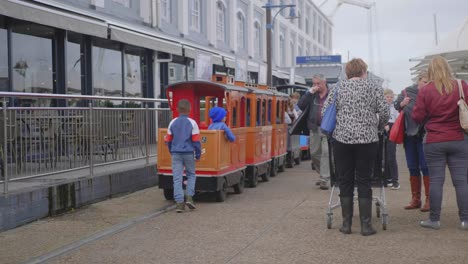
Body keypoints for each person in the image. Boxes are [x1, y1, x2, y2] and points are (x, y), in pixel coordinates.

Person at [322, 58, 389, 236]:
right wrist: (379, 126)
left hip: (342, 140)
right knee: (364, 179)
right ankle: (366, 226)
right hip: (367, 140)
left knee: (345, 179)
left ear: (348, 72)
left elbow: (325, 111)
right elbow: (384, 111)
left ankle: (346, 225)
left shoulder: (337, 88)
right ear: (363, 71)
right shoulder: (373, 87)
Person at [412, 56, 468, 230]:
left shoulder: (426, 90)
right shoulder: (461, 86)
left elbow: (417, 117)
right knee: (461, 181)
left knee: (436, 180)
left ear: (430, 70)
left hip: (434, 140)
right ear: (448, 68)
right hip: (458, 138)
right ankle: (465, 220)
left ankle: (434, 220)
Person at [394, 72, 430, 212]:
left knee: (425, 166)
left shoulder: (431, 92)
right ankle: (416, 199)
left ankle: (429, 199)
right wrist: (401, 103)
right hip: (409, 134)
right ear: (419, 81)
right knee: (412, 166)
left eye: (428, 82)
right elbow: (396, 104)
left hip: (424, 134)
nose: (426, 85)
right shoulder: (406, 91)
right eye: (424, 81)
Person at [165, 99, 201, 213]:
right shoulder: (193, 123)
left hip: (176, 153)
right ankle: (190, 198)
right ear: (190, 110)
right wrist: (198, 154)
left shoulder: (172, 122)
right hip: (189, 153)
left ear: (177, 109)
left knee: (177, 177)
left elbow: (168, 140)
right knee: (191, 175)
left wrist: (171, 151)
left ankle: (179, 203)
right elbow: (196, 141)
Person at [297, 74, 330, 190]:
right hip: (314, 128)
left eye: (318, 84)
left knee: (326, 153)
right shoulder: (311, 95)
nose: (316, 86)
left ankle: (325, 179)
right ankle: (324, 174)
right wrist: (309, 93)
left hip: (328, 129)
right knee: (315, 154)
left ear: (324, 83)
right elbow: (300, 105)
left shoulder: (331, 93)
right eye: (314, 83)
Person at [383, 88, 400, 190]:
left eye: (391, 97)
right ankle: (387, 179)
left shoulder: (395, 107)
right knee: (384, 156)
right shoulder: (381, 106)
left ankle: (395, 181)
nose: (389, 99)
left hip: (392, 131)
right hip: (382, 130)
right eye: (387, 97)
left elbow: (397, 119)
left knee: (391, 156)